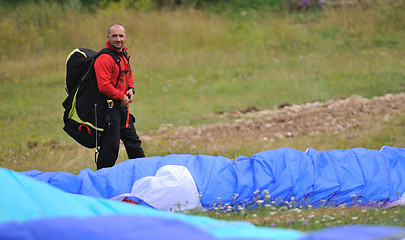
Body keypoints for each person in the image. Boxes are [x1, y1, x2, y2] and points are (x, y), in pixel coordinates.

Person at [94, 23, 145, 170]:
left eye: (121, 36)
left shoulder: (123, 55)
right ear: (108, 37)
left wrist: (130, 89)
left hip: (123, 109)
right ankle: (101, 182)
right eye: (114, 36)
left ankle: (144, 176)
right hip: (109, 110)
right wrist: (120, 97)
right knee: (110, 148)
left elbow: (128, 73)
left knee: (134, 144)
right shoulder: (104, 58)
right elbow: (103, 86)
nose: (118, 39)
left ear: (125, 37)